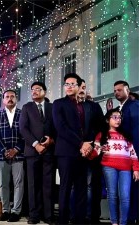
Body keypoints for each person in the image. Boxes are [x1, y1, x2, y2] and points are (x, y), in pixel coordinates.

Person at [52, 73, 93, 224]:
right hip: (66, 153)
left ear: (79, 86)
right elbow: (61, 128)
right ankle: (62, 220)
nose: (69, 87)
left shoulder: (83, 105)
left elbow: (87, 128)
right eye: (66, 84)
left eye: (72, 84)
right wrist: (81, 144)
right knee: (65, 188)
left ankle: (79, 220)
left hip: (83, 153)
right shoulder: (58, 103)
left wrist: (88, 145)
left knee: (82, 188)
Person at [88, 108, 139, 225]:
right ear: (107, 120)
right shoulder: (102, 135)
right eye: (115, 117)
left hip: (126, 169)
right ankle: (114, 222)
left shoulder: (126, 134)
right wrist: (86, 153)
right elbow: (95, 151)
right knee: (112, 195)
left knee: (125, 197)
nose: (118, 120)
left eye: (119, 117)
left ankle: (123, 222)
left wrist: (136, 169)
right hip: (108, 167)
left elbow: (133, 153)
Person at [19, 82, 56, 224]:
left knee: (48, 184)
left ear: (44, 92)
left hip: (49, 151)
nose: (34, 92)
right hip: (32, 151)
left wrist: (51, 140)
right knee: (33, 184)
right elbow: (23, 128)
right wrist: (36, 144)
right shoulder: (26, 107)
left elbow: (57, 126)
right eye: (32, 90)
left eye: (38, 89)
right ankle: (33, 215)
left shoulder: (52, 107)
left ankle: (48, 215)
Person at [0, 90, 24, 222]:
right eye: (7, 97)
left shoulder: (23, 114)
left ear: (16, 98)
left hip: (19, 154)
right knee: (3, 184)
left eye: (12, 96)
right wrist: (5, 150)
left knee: (18, 184)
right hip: (2, 155)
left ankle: (16, 212)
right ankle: (5, 210)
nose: (10, 99)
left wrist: (16, 149)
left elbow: (26, 134)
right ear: (3, 100)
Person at [76, 79, 105, 224]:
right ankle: (75, 216)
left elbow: (102, 128)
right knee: (75, 186)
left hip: (92, 154)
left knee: (91, 185)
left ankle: (91, 216)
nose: (82, 90)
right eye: (80, 87)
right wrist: (80, 146)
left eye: (84, 87)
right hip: (74, 153)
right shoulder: (68, 107)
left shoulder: (94, 106)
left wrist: (93, 146)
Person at [113, 80, 139, 224]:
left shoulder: (134, 105)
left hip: (133, 152)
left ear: (127, 90)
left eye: (119, 90)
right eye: (115, 90)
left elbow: (135, 131)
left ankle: (131, 218)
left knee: (133, 188)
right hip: (124, 155)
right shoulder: (120, 108)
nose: (116, 92)